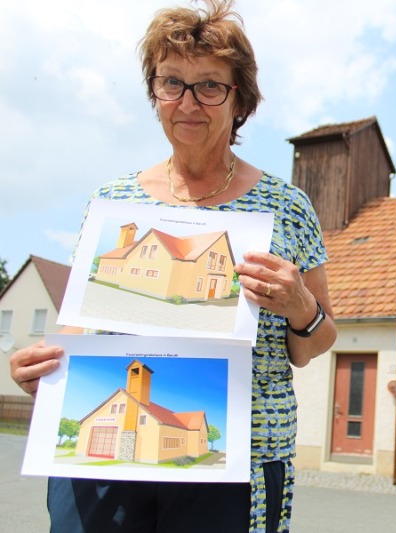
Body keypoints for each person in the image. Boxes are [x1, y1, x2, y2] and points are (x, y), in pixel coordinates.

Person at [8, 1, 336, 531]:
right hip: (102, 470)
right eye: (172, 83)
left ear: (240, 101)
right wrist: (42, 368)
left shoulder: (286, 207)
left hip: (236, 456)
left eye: (210, 86)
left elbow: (315, 344)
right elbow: (77, 326)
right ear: (154, 93)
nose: (189, 102)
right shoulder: (112, 200)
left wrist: (301, 305)